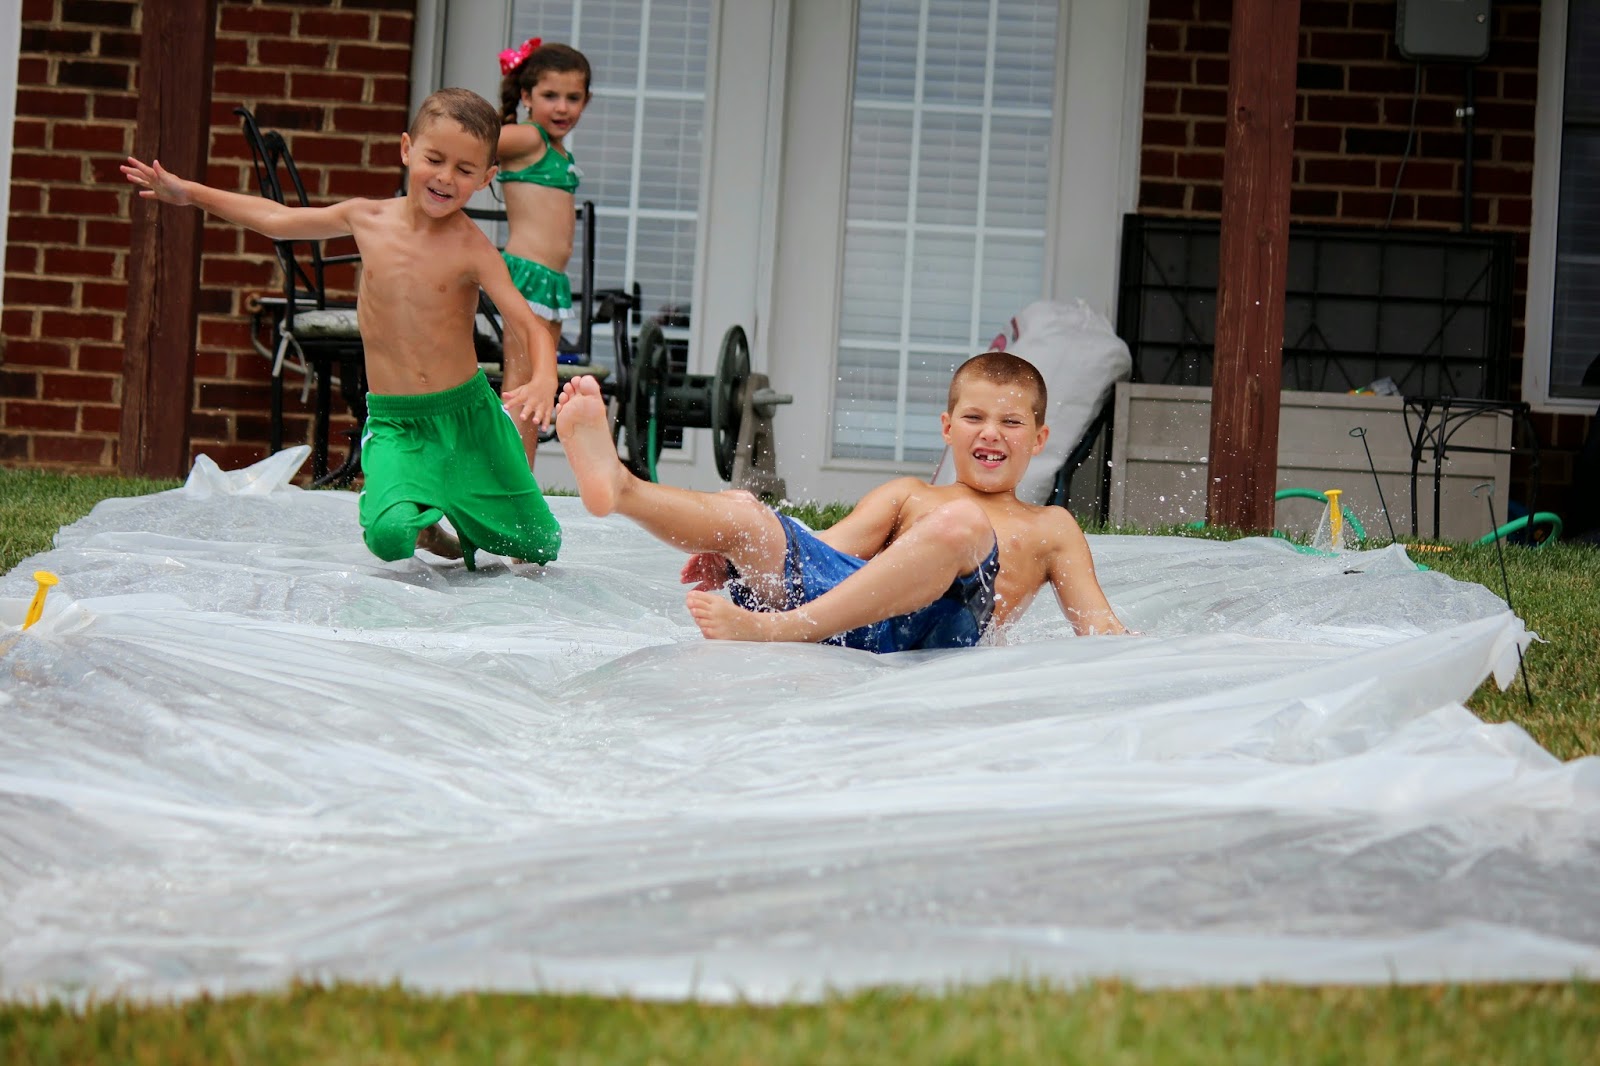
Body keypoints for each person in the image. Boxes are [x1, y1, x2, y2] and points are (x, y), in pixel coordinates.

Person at [121, 88, 563, 571]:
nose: (444, 177)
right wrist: (190, 193)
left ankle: (464, 516)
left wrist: (543, 378)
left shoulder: (474, 249)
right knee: (391, 536)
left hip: (469, 417)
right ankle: (434, 536)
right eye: (434, 159)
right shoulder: (366, 218)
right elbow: (277, 219)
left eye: (464, 170)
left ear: (486, 178)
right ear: (406, 149)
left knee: (539, 547)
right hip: (398, 421)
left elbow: (527, 323)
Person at [555, 352, 1128, 650]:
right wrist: (741, 555)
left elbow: (1098, 628)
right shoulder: (909, 494)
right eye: (974, 418)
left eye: (1010, 422)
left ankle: (781, 631)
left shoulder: (1051, 526)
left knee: (962, 525)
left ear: (1039, 438)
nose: (991, 433)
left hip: (938, 638)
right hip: (851, 619)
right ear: (947, 427)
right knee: (748, 513)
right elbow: (823, 553)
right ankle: (622, 488)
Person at [495, 39, 591, 360]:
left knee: (541, 380)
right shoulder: (530, 137)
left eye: (573, 98)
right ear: (526, 97)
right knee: (522, 381)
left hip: (551, 278)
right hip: (528, 274)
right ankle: (509, 413)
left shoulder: (557, 149)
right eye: (550, 96)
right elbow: (474, 140)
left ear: (586, 101)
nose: (562, 107)